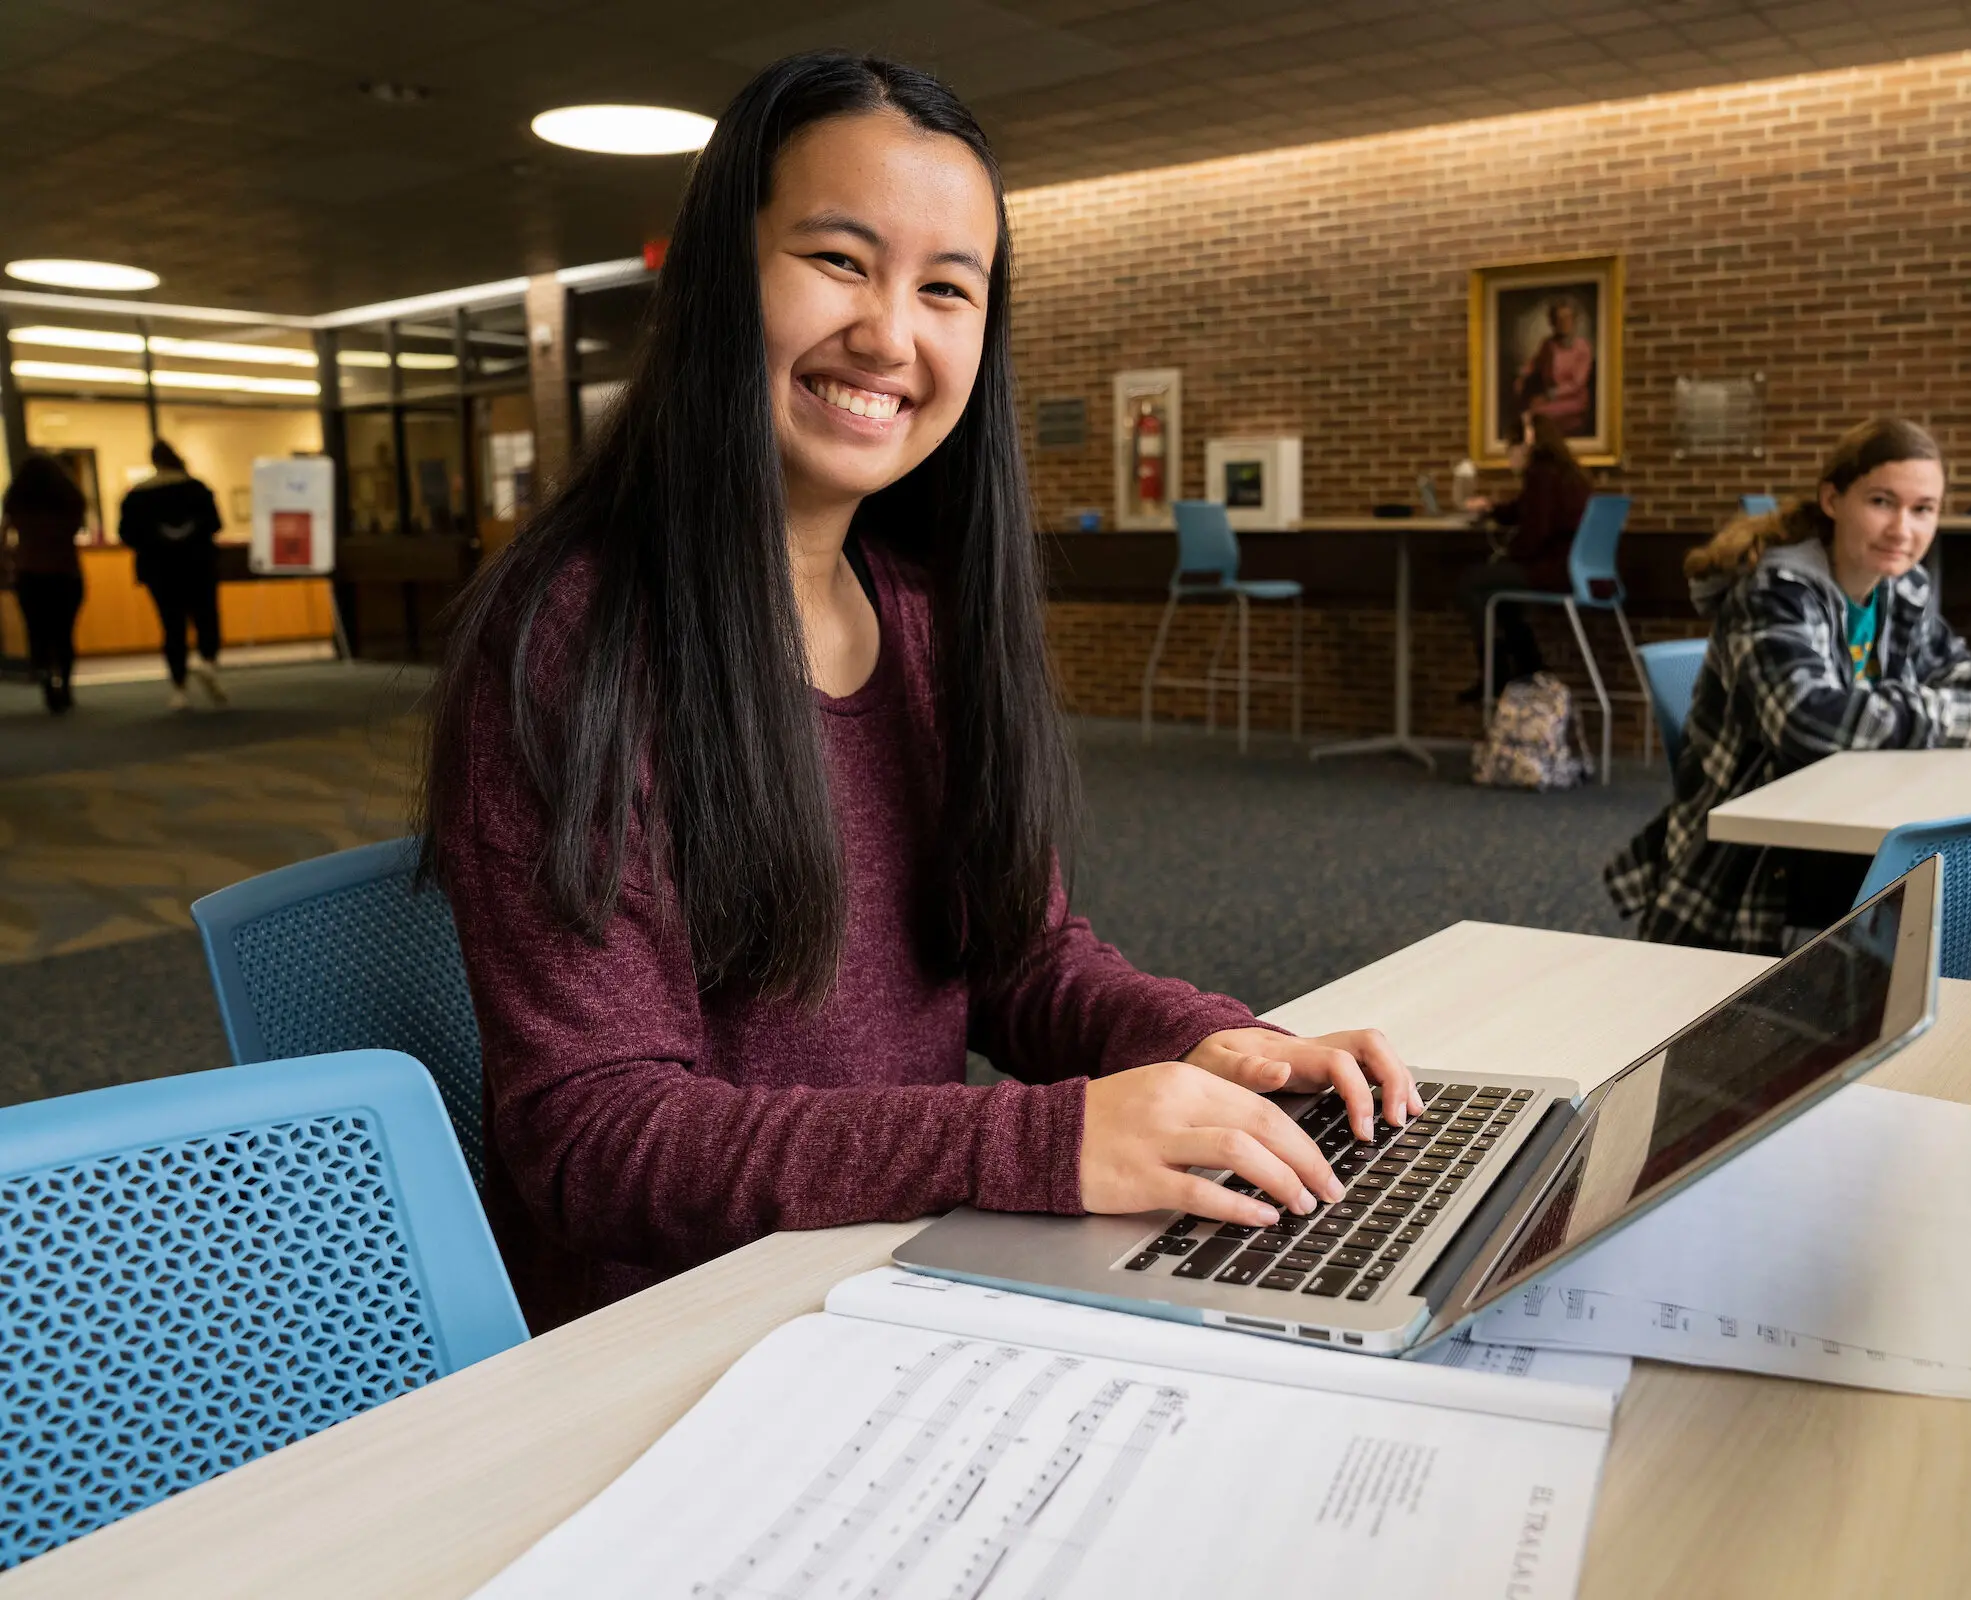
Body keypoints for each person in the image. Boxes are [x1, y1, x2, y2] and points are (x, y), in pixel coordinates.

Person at [420, 52, 1419, 1332]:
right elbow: (598, 1133)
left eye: (946, 289)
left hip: (899, 1279)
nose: (890, 334)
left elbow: (1020, 962)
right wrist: (1037, 1142)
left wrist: (1207, 1041)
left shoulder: (927, 613)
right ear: (726, 272)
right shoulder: (575, 635)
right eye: (839, 260)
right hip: (681, 1335)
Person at [1604, 417, 1971, 958]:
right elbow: (1810, 717)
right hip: (1763, 852)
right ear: (1833, 500)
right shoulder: (1775, 592)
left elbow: (1938, 663)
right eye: (1881, 502)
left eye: (1923, 509)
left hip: (1855, 808)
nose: (1903, 528)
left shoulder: (1898, 585)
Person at [1459, 413, 1594, 699]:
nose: (1509, 456)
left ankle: (1495, 673)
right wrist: (1492, 508)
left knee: (1472, 582)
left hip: (1554, 571)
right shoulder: (1563, 472)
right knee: (1501, 593)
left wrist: (1509, 555)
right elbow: (1524, 509)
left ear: (1527, 444)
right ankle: (1529, 668)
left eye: (1511, 447)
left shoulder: (1541, 474)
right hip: (1576, 571)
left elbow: (1536, 533)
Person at [118, 440, 227, 710]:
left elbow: (127, 534)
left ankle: (179, 688)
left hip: (159, 569)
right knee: (206, 616)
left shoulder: (138, 495)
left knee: (171, 625)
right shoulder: (196, 488)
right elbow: (215, 523)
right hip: (198, 564)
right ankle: (208, 662)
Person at [2, 453, 89, 714]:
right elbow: (75, 529)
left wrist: (8, 564)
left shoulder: (17, 500)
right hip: (65, 571)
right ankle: (66, 684)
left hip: (30, 574)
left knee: (37, 631)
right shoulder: (69, 499)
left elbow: (4, 536)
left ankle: (45, 680)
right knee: (64, 632)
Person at [1512, 294, 1594, 438]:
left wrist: (1550, 395)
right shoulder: (1548, 345)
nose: (1563, 324)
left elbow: (1577, 384)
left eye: (1567, 319)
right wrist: (1522, 376)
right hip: (1550, 398)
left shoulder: (1583, 348)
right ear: (1552, 322)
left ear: (1574, 321)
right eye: (1558, 320)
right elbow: (1534, 364)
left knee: (1536, 416)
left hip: (1573, 400)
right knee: (1527, 411)